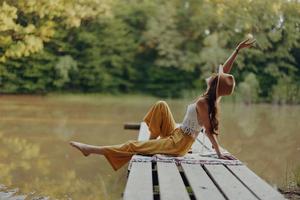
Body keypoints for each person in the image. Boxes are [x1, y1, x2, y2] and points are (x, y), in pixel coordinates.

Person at [70, 38, 256, 171]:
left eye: (216, 77)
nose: (214, 75)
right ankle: (151, 143)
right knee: (161, 105)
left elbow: (208, 131)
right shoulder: (211, 98)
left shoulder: (203, 102)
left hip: (178, 144)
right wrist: (237, 50)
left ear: (215, 83)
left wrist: (218, 154)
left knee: (132, 145)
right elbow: (225, 70)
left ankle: (91, 150)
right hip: (177, 134)